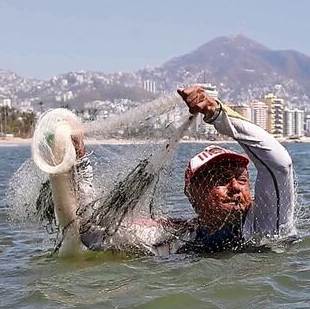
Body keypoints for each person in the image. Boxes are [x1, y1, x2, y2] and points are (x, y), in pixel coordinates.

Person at [67, 85, 296, 254]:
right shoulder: (177, 233)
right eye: (221, 179)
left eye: (242, 179)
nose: (235, 187)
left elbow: (279, 164)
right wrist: (79, 161)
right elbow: (94, 233)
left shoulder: (265, 222)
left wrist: (215, 112)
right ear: (192, 194)